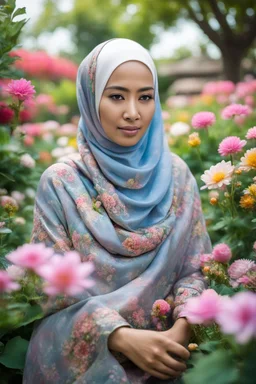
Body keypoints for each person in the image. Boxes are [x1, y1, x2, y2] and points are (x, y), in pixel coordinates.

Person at [23, 38, 211, 383]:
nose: (132, 112)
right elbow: (55, 295)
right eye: (116, 96)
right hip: (93, 360)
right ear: (91, 99)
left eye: (145, 96)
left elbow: (196, 268)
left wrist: (179, 334)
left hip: (174, 357)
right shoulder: (62, 183)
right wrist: (120, 337)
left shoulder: (178, 176)